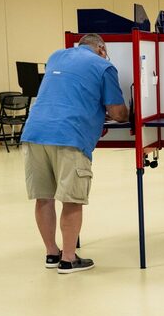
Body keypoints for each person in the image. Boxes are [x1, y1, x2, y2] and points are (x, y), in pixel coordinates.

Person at [20, 34, 128, 274]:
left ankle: (51, 253)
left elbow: (67, 92)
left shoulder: (56, 56)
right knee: (72, 198)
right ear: (101, 49)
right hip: (70, 134)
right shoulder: (104, 66)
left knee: (44, 197)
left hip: (34, 132)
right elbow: (118, 112)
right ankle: (68, 259)